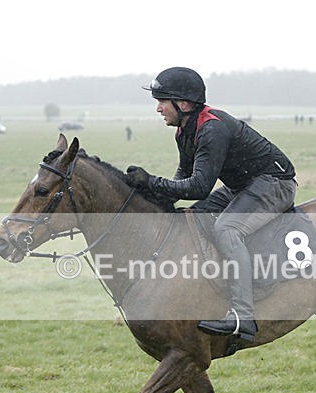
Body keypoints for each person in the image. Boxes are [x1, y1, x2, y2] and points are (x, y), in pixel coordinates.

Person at [125, 67, 297, 342]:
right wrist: (144, 197)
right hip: (242, 186)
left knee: (227, 229)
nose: (158, 109)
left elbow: (198, 187)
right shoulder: (184, 131)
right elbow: (183, 179)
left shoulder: (211, 129)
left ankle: (243, 316)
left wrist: (151, 181)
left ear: (183, 104)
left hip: (275, 182)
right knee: (192, 216)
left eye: (162, 101)